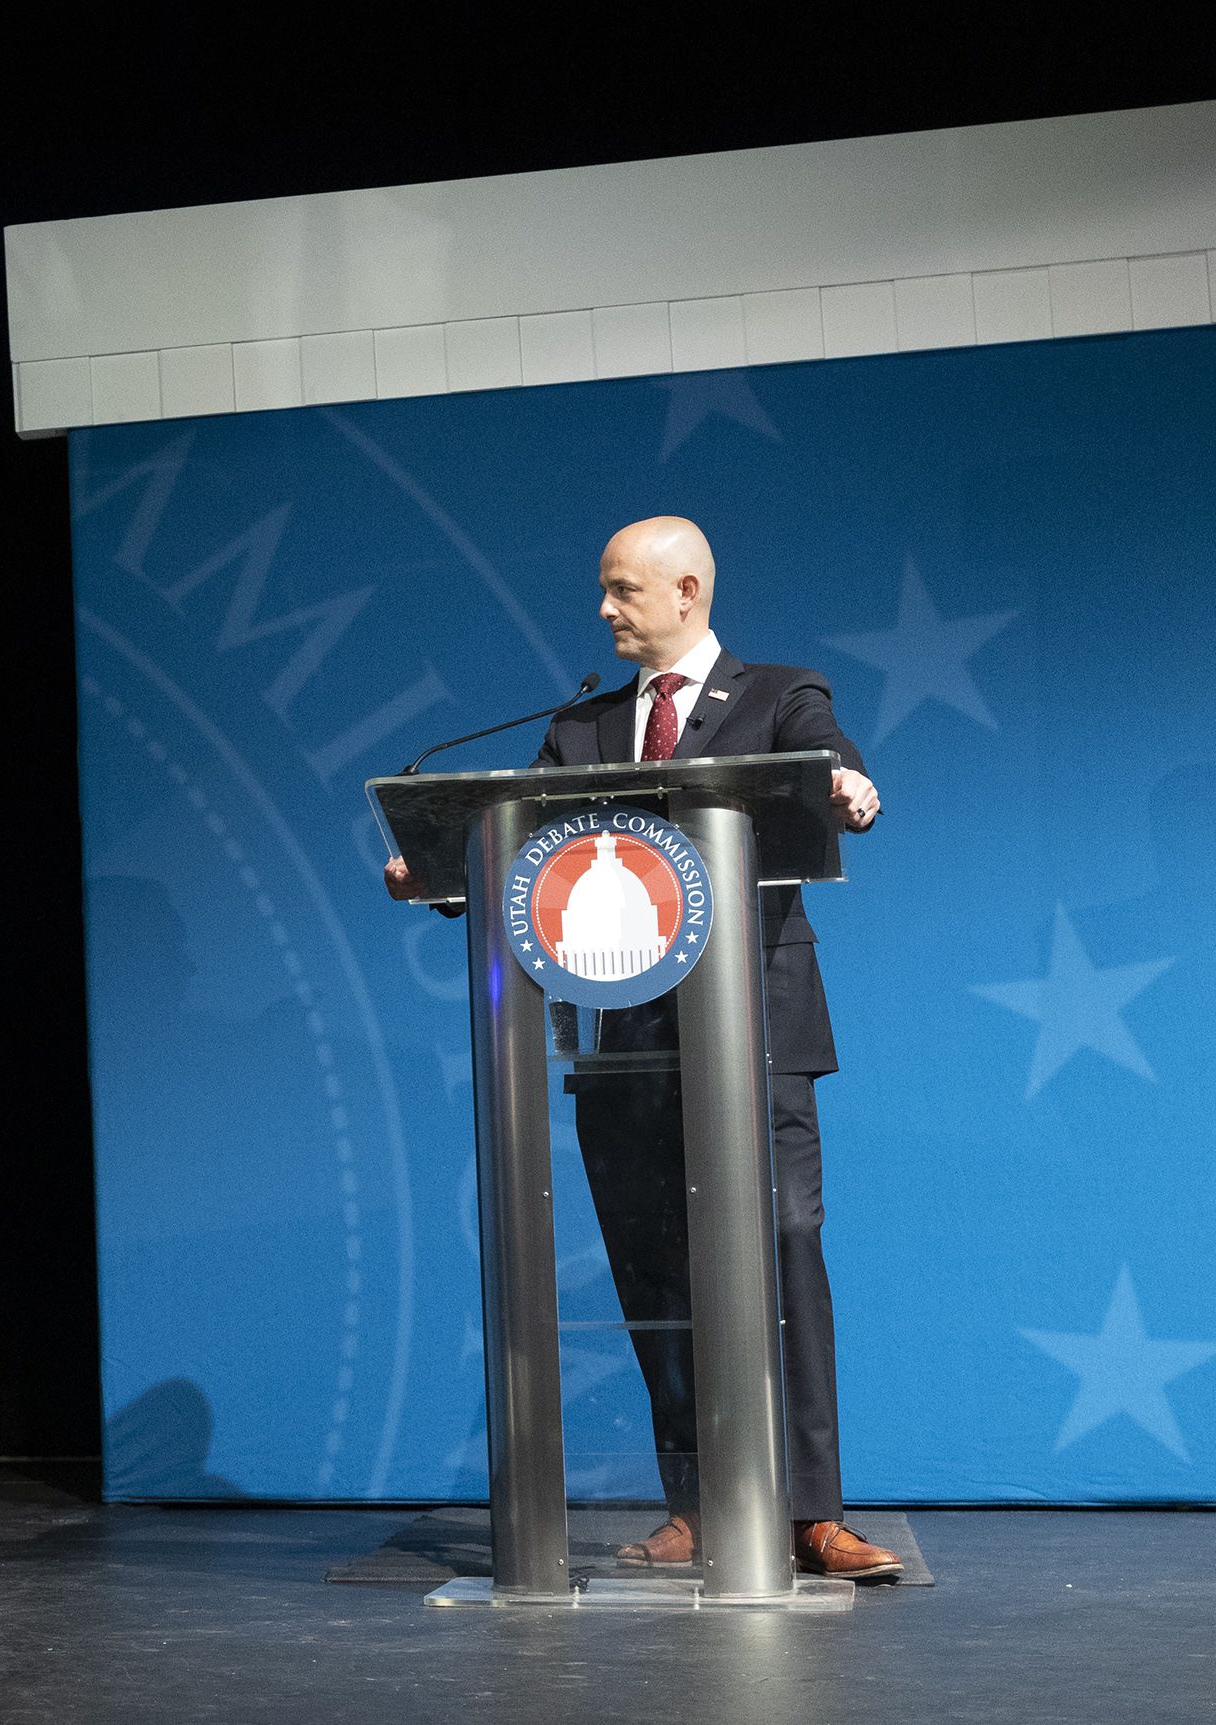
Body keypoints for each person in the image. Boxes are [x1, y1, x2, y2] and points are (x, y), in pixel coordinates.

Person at [385, 515, 902, 1582]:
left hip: (756, 1027)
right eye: (605, 590)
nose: (606, 609)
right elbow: (525, 851)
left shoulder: (779, 695)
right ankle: (700, 1502)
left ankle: (810, 1514)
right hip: (622, 1042)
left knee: (784, 1247)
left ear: (688, 591)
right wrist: (442, 870)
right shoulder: (580, 726)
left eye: (624, 590)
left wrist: (847, 787)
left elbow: (828, 764)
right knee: (656, 1272)